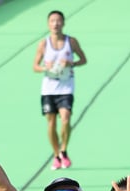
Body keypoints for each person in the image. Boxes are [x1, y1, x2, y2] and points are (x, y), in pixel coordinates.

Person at [32, 10, 87, 170]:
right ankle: (56, 155)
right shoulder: (43, 44)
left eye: (58, 21)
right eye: (52, 21)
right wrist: (44, 67)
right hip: (49, 89)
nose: (55, 24)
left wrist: (72, 63)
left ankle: (64, 150)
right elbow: (34, 66)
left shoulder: (71, 42)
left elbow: (83, 59)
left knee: (66, 119)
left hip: (66, 87)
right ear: (48, 24)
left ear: (63, 23)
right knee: (51, 123)